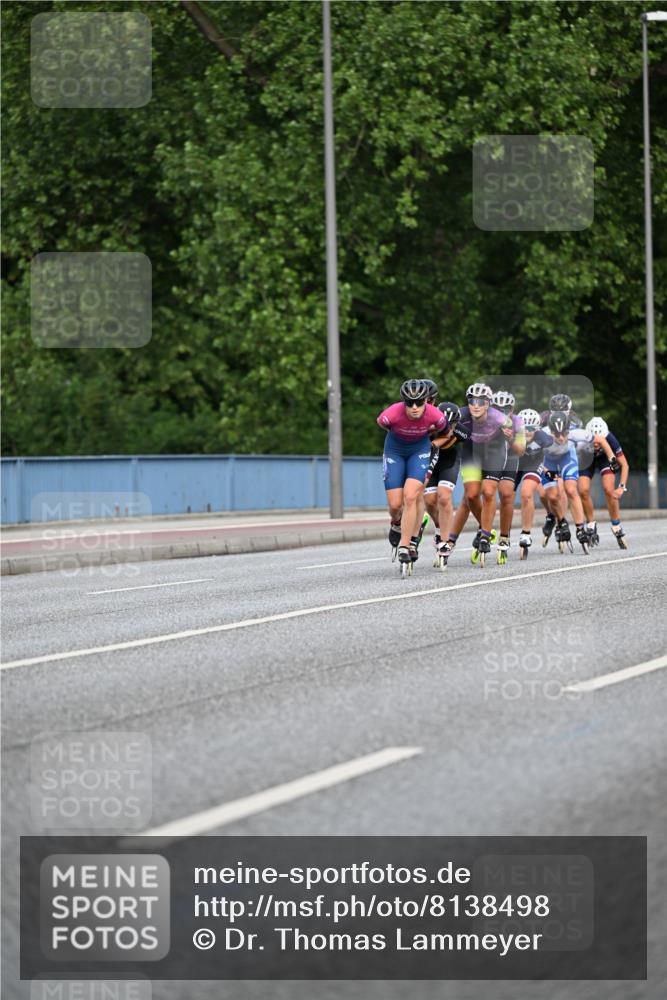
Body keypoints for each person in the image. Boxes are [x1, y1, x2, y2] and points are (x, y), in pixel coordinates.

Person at [377, 379, 447, 567]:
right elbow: (382, 424)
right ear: (403, 402)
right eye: (409, 403)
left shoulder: (436, 415)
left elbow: (443, 429)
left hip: (419, 452)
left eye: (419, 402)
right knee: (395, 505)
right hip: (395, 452)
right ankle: (396, 522)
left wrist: (427, 435)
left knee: (411, 496)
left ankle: (406, 545)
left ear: (427, 401)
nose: (414, 407)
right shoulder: (391, 414)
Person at [446, 383, 506, 565]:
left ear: (488, 404)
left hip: (494, 452)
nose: (476, 405)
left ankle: (485, 536)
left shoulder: (499, 418)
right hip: (471, 452)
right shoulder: (461, 415)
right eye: (472, 401)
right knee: (471, 496)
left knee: (488, 491)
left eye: (481, 402)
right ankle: (485, 527)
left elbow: (518, 434)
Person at [540, 411, 616, 553]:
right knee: (552, 497)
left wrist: (612, 458)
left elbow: (601, 439)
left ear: (569, 430)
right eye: (557, 434)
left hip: (567, 459)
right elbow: (532, 458)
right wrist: (546, 471)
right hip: (548, 462)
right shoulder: (542, 435)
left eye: (565, 433)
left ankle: (580, 528)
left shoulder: (577, 433)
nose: (561, 438)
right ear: (551, 431)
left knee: (570, 490)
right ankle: (561, 521)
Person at [423, 402, 468, 566]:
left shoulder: (462, 431)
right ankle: (439, 527)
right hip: (430, 463)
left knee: (444, 497)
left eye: (452, 424)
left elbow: (475, 445)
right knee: (429, 501)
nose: (447, 428)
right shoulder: (427, 426)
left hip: (449, 462)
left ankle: (444, 540)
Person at [576, 417, 630, 548]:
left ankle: (616, 525)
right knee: (582, 490)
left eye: (599, 443)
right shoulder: (581, 440)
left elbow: (624, 465)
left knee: (608, 489)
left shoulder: (611, 439)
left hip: (606, 458)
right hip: (586, 458)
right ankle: (590, 523)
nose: (596, 446)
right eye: (593, 443)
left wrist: (621, 487)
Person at [490, 390, 526, 564]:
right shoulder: (486, 419)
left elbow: (521, 451)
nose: (502, 412)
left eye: (506, 409)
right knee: (485, 493)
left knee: (506, 494)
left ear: (512, 409)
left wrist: (511, 440)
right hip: (491, 457)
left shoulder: (518, 422)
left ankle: (504, 536)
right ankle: (484, 530)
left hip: (510, 457)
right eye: (497, 408)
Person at [514, 408, 553, 558]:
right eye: (524, 428)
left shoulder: (543, 437)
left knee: (526, 494)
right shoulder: (513, 434)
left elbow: (552, 442)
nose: (527, 432)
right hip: (516, 464)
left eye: (531, 429)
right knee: (506, 495)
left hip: (534, 463)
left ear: (537, 429)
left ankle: (526, 533)